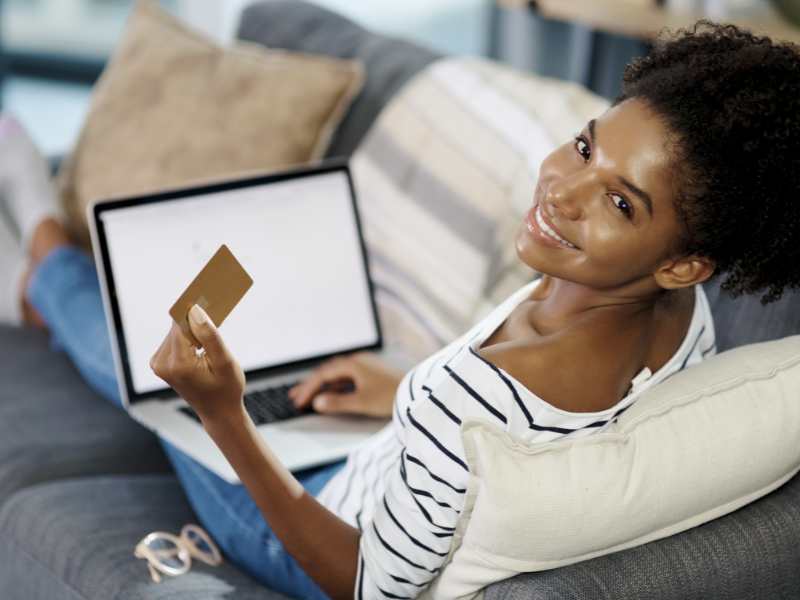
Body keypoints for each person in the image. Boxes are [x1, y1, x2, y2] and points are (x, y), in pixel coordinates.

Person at [2, 20, 799, 600]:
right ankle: (43, 270)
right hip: (381, 457)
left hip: (309, 529)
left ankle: (40, 256)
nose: (562, 191)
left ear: (682, 259)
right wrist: (402, 389)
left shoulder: (467, 401)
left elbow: (360, 584)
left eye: (619, 203)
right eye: (587, 147)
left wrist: (224, 416)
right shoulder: (681, 305)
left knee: (153, 359)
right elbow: (493, 427)